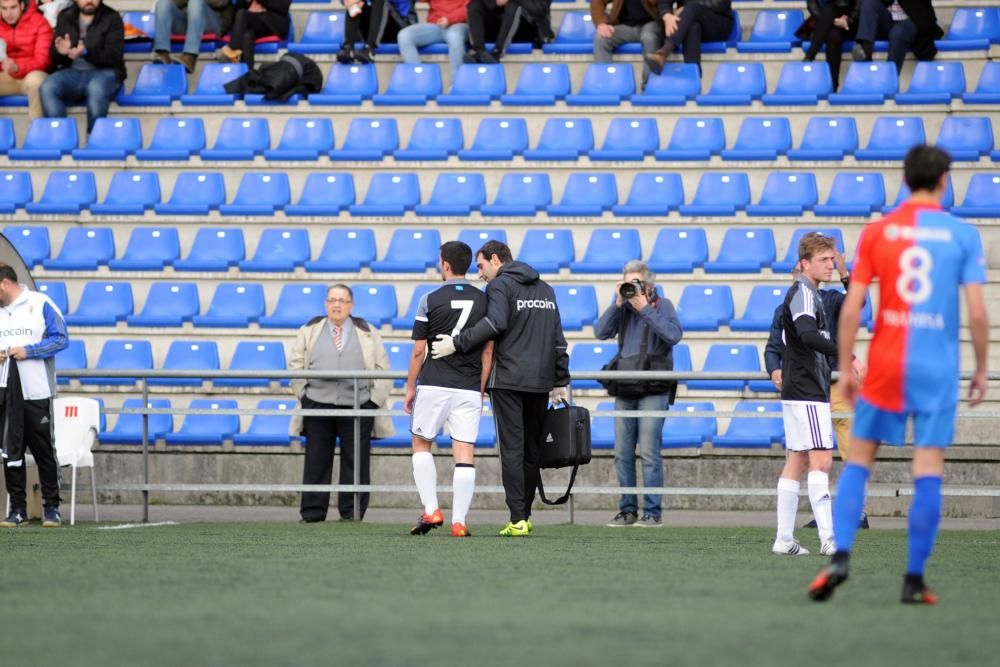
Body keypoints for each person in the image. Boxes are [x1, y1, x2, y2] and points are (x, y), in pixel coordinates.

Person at [810, 145, 989, 605]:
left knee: (860, 461)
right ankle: (913, 579)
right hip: (936, 366)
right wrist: (984, 368)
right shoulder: (962, 235)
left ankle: (840, 556)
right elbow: (976, 311)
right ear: (945, 179)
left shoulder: (877, 233)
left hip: (887, 361)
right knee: (928, 466)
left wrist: (846, 364)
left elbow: (852, 306)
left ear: (905, 180)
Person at [430, 240, 570, 537]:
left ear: (495, 260)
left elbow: (495, 324)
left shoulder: (499, 287)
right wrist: (560, 379)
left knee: (512, 451)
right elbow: (558, 338)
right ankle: (525, 516)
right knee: (532, 450)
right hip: (541, 381)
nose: (479, 274)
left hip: (507, 381)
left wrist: (457, 342)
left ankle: (517, 518)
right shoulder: (546, 289)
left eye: (480, 266)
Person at [764, 244, 870, 529]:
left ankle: (855, 512)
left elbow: (858, 303)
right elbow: (773, 346)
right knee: (810, 456)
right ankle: (821, 519)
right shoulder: (786, 307)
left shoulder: (830, 299)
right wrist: (775, 370)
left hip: (834, 382)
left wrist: (846, 273)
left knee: (847, 449)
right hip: (809, 385)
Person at [405, 241, 493, 538]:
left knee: (420, 444)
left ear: (444, 264)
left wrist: (409, 387)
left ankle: (431, 509)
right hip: (469, 387)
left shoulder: (429, 298)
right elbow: (488, 351)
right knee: (465, 453)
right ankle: (460, 522)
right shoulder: (485, 300)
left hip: (433, 383)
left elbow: (419, 351)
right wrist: (479, 389)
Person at [289, 284, 393, 523]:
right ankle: (313, 514)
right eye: (332, 300)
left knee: (356, 462)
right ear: (325, 304)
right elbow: (295, 366)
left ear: (351, 305)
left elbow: (382, 368)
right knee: (316, 460)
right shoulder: (309, 329)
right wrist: (303, 396)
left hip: (357, 405)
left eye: (342, 300)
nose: (336, 305)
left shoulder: (367, 331)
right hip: (317, 403)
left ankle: (352, 513)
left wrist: (372, 402)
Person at [596, 260, 682, 528]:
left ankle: (652, 512)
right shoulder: (623, 308)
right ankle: (628, 509)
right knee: (622, 452)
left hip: (654, 387)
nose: (632, 287)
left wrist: (645, 309)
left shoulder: (662, 305)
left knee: (648, 451)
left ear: (648, 284)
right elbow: (600, 333)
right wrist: (618, 304)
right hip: (626, 384)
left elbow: (673, 335)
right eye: (627, 282)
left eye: (636, 282)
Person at [773, 233, 843, 557]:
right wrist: (847, 354)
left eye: (832, 259)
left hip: (798, 388)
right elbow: (808, 335)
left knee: (798, 461)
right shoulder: (803, 293)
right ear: (804, 263)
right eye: (823, 260)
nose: (830, 265)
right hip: (808, 389)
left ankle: (784, 539)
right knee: (822, 460)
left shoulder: (811, 293)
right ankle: (829, 539)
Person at [0, 264, 69, 528]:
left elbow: (61, 338)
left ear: (4, 283)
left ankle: (52, 508)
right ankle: (17, 510)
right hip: (5, 394)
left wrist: (29, 351)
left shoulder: (40, 303)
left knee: (44, 452)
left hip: (37, 392)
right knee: (11, 453)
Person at [39, 0, 124, 133]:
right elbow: (54, 57)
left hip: (104, 72)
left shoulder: (112, 17)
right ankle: (60, 137)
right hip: (72, 72)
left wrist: (86, 52)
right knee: (48, 86)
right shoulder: (64, 17)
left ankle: (94, 142)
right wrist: (61, 52)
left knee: (96, 88)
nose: (89, 1)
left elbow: (113, 56)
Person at [645, 0, 733, 75]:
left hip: (718, 24)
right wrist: (667, 15)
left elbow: (721, 3)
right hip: (688, 22)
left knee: (692, 8)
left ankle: (665, 51)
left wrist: (688, 8)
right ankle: (693, 78)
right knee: (692, 26)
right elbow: (664, 2)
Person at [851, 0, 941, 72]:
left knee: (897, 33)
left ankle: (889, 78)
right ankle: (864, 49)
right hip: (888, 20)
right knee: (869, 2)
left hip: (911, 20)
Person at [0, 0, 52, 119]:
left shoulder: (39, 22)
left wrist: (18, 67)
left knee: (35, 81)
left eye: (13, 7)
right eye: (4, 8)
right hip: (7, 77)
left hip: (32, 75)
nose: (9, 13)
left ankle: (36, 132)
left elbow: (43, 61)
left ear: (22, 6)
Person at [151, 0, 234, 73]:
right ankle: (162, 53)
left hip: (213, 22)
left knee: (196, 1)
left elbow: (220, 2)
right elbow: (176, 2)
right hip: (186, 22)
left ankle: (190, 56)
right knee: (163, 2)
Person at [464, 0, 553, 64]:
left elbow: (540, 9)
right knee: (475, 4)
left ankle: (498, 52)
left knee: (513, 4)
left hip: (528, 30)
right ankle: (478, 51)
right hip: (499, 27)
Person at [396, 0, 467, 80]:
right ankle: (419, 81)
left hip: (460, 24)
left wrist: (449, 19)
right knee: (405, 36)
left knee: (454, 36)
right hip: (436, 24)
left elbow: (470, 6)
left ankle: (457, 83)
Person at [802, 0, 858, 91]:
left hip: (850, 23)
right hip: (826, 21)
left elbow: (859, 5)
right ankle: (833, 85)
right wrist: (831, 20)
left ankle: (811, 54)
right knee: (834, 35)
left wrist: (849, 19)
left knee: (829, 10)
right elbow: (812, 4)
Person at [337, 0, 415, 64]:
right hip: (376, 27)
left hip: (401, 27)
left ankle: (369, 49)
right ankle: (348, 48)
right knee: (354, 2)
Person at [220, 0, 290, 68]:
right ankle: (247, 73)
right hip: (256, 22)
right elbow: (235, 15)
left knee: (243, 14)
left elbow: (283, 7)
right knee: (247, 35)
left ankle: (232, 51)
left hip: (274, 25)